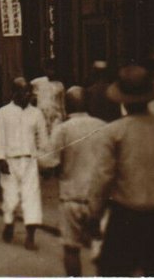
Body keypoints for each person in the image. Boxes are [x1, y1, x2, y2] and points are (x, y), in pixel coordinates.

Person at [86, 65, 154, 277]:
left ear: (123, 100)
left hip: (126, 216)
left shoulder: (114, 132)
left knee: (113, 273)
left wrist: (94, 213)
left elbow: (103, 177)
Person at [39, 86, 107, 277]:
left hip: (72, 197)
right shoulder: (104, 127)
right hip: (99, 199)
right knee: (101, 249)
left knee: (71, 249)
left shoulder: (63, 130)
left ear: (67, 106)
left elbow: (47, 162)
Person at [0, 77, 48, 250]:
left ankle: (30, 236)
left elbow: (43, 139)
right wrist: (1, 159)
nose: (28, 95)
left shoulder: (36, 113)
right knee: (10, 197)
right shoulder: (3, 112)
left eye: (29, 91)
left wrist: (45, 161)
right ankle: (9, 223)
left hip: (30, 161)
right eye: (24, 91)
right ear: (14, 93)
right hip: (9, 161)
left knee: (31, 198)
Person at [31, 65, 66, 136]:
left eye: (53, 69)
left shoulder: (60, 85)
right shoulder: (36, 83)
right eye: (48, 68)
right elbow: (32, 99)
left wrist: (63, 116)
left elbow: (62, 104)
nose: (51, 71)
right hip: (42, 115)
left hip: (55, 117)